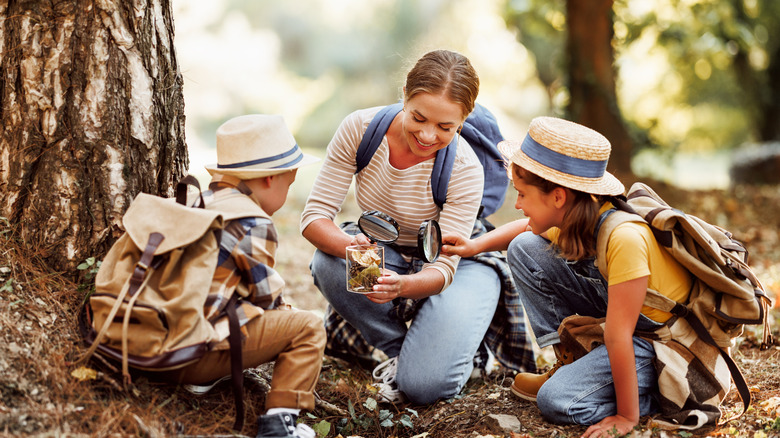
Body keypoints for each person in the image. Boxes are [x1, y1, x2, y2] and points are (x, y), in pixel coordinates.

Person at [300, 49, 534, 405]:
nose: (427, 136)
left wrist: (404, 287)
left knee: (426, 388)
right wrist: (352, 250)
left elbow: (443, 268)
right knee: (328, 261)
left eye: (445, 127)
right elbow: (314, 217)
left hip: (459, 262)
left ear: (463, 120)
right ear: (405, 96)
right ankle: (400, 354)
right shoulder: (361, 130)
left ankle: (453, 352)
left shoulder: (466, 169)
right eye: (419, 117)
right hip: (390, 252)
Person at [442, 116, 692, 437]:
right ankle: (573, 362)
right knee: (524, 247)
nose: (516, 204)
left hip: (660, 344)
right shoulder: (582, 214)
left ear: (558, 197)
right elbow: (523, 230)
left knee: (557, 401)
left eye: (521, 194)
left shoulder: (624, 238)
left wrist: (627, 418)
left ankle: (655, 398)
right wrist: (474, 246)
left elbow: (619, 336)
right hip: (627, 327)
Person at [168, 114, 326, 438]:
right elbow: (266, 298)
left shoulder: (195, 201)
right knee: (309, 327)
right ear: (271, 179)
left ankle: (204, 379)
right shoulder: (253, 222)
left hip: (154, 341)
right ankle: (280, 424)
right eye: (289, 184)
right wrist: (289, 313)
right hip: (192, 353)